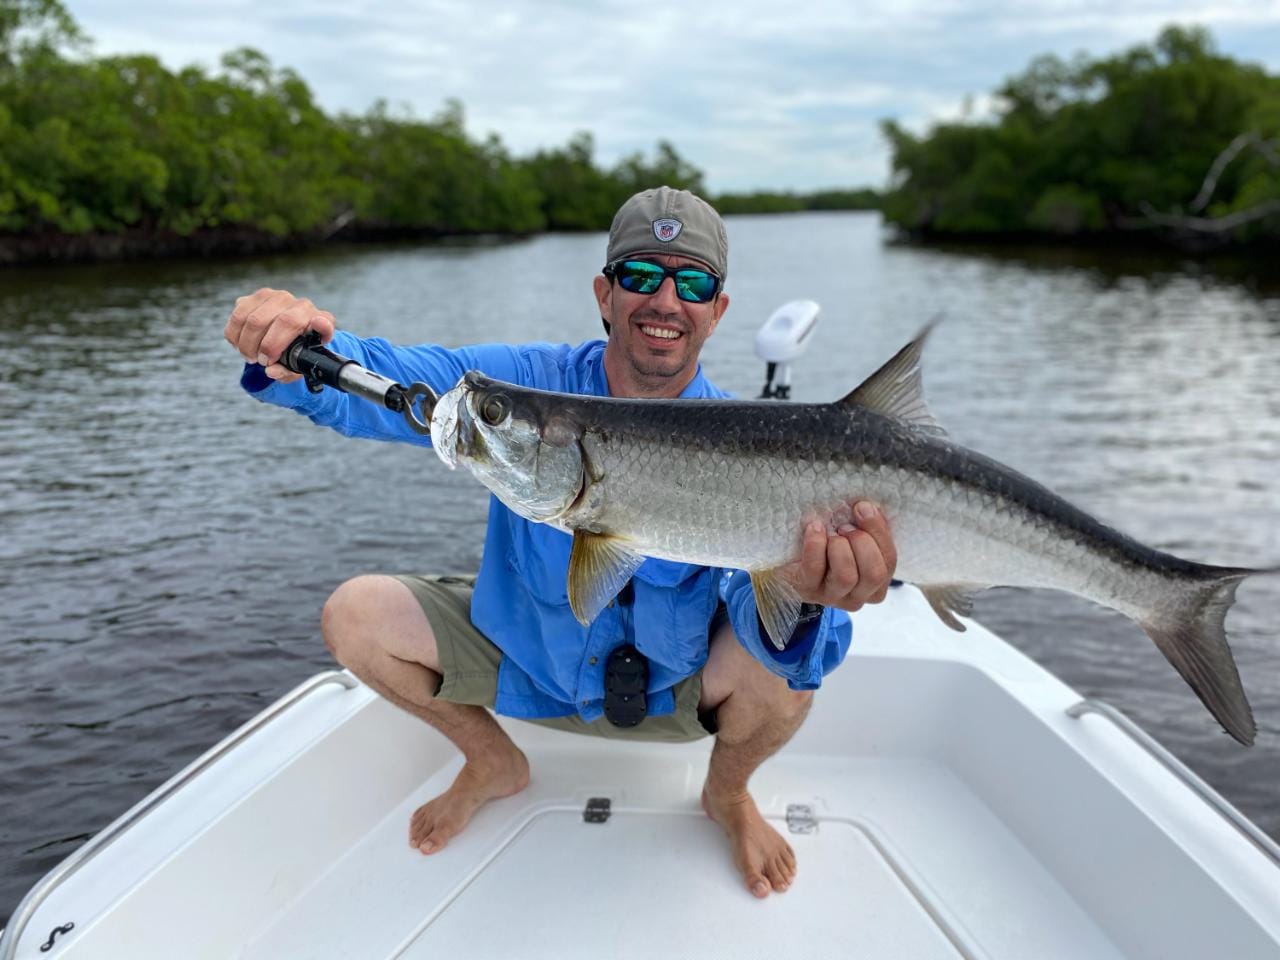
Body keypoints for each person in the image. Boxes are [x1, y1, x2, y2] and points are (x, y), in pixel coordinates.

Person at [224, 186, 897, 900]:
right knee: (355, 615)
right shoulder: (525, 387)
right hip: (527, 668)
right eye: (641, 275)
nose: (666, 300)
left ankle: (727, 795)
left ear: (717, 310)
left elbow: (782, 637)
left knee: (790, 674)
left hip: (674, 692)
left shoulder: (745, 443)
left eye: (693, 284)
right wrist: (298, 350)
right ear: (605, 294)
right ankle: (492, 761)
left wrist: (810, 596)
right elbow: (394, 381)